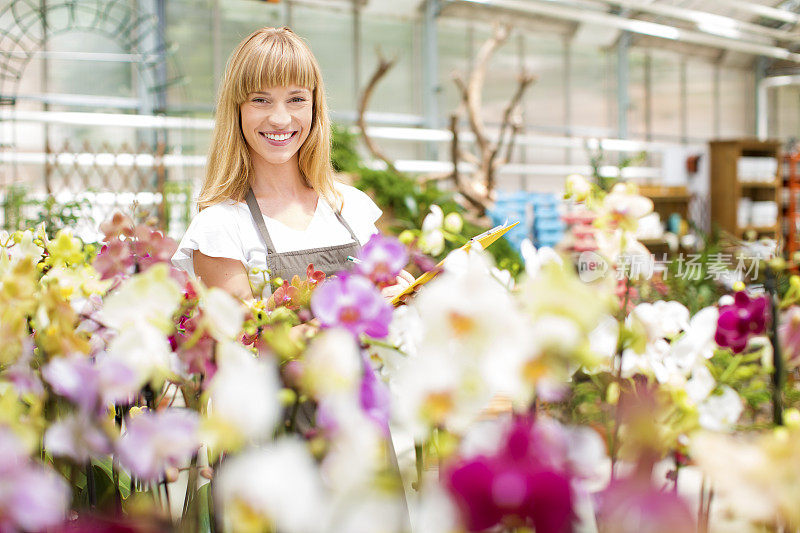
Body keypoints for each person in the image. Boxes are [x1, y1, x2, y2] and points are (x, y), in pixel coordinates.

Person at [171, 27, 413, 303]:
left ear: (314, 107)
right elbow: (244, 340)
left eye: (296, 99)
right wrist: (362, 308)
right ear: (237, 109)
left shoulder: (351, 206)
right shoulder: (221, 226)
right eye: (261, 100)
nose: (280, 119)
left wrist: (400, 297)